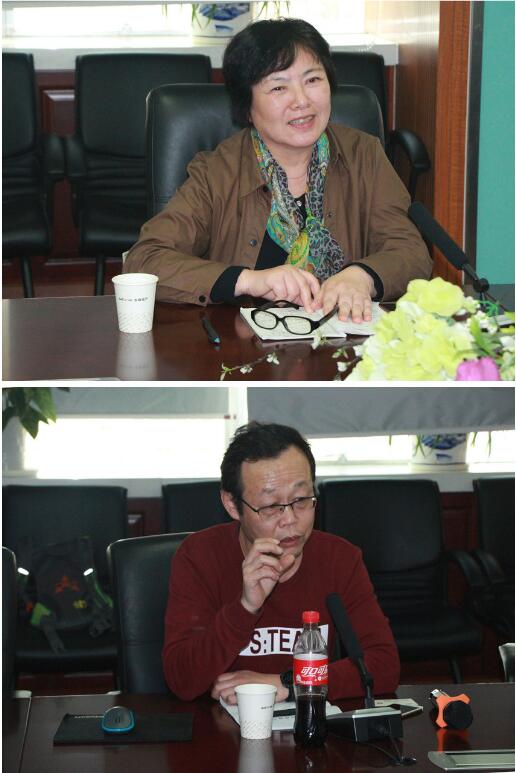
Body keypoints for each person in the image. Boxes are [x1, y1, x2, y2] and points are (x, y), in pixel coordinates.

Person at [124, 18, 432, 323]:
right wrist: (248, 280)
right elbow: (145, 260)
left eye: (313, 80)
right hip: (242, 342)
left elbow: (411, 251)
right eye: (278, 87)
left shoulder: (364, 155)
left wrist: (361, 276)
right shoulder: (216, 172)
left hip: (342, 338)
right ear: (246, 106)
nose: (302, 101)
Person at [162, 422, 400, 703]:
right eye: (271, 507)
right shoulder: (199, 556)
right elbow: (182, 680)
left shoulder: (340, 559)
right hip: (223, 722)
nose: (290, 520)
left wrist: (288, 683)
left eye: (301, 500)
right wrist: (245, 607)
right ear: (232, 505)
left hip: (309, 720)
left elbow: (384, 666)